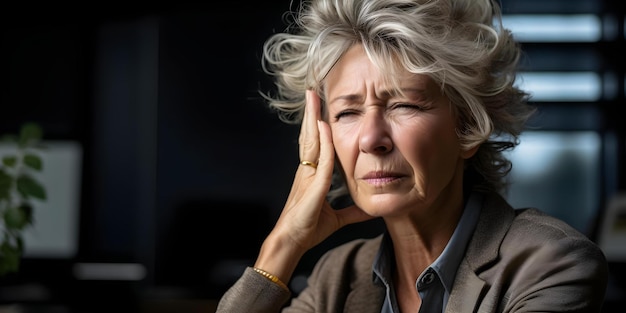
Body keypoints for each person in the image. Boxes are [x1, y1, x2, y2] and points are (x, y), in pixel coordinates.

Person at [216, 0, 609, 312]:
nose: (371, 139)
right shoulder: (337, 276)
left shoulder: (551, 263)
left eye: (404, 105)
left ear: (467, 127)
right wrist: (283, 245)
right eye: (347, 112)